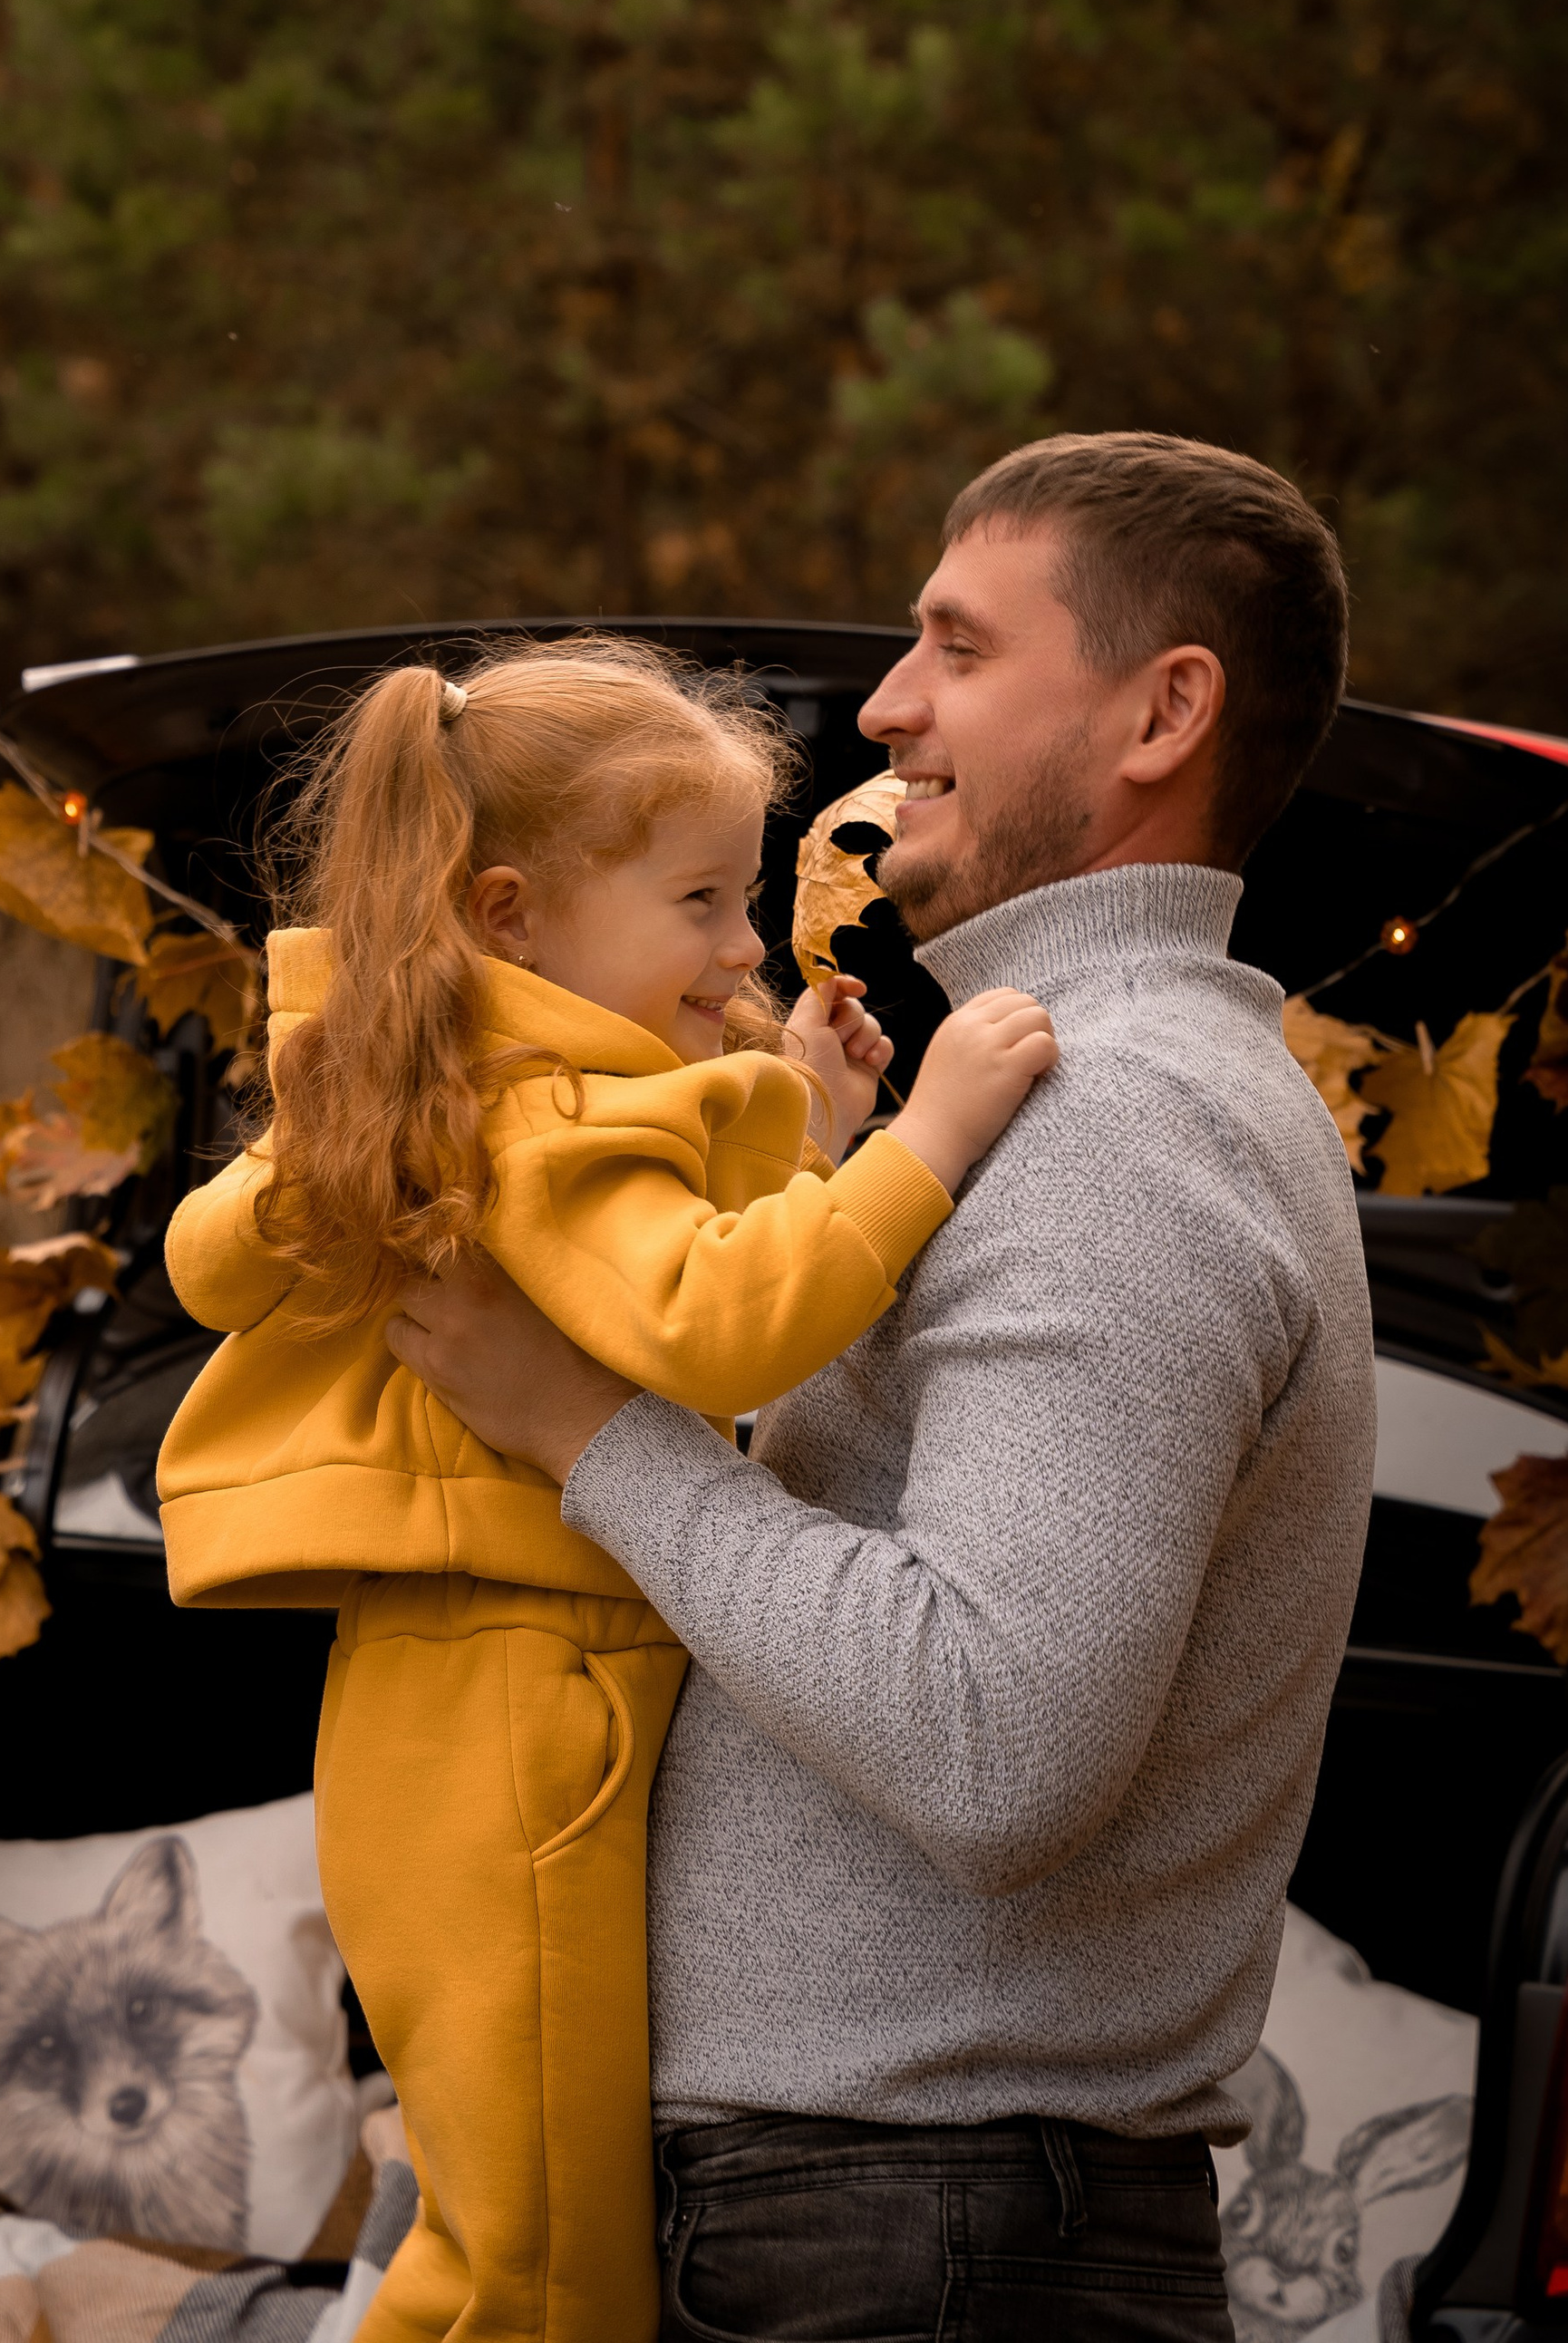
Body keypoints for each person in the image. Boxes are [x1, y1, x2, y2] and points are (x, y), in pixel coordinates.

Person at [382, 433, 1376, 2343]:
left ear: (1163, 710)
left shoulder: (1114, 1128)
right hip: (895, 2218)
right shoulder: (1058, 1095)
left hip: (914, 2239)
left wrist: (577, 1427)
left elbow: (989, 1744)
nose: (884, 705)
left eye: (956, 647)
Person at [154, 635, 1056, 2343]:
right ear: (509, 918)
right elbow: (716, 1327)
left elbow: (606, 1284)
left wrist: (807, 1142)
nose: (739, 948)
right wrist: (927, 1147)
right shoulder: (551, 1107)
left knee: (497, 2203)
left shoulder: (444, 1086)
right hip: (519, 1701)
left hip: (464, 1688)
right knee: (544, 2257)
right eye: (703, 902)